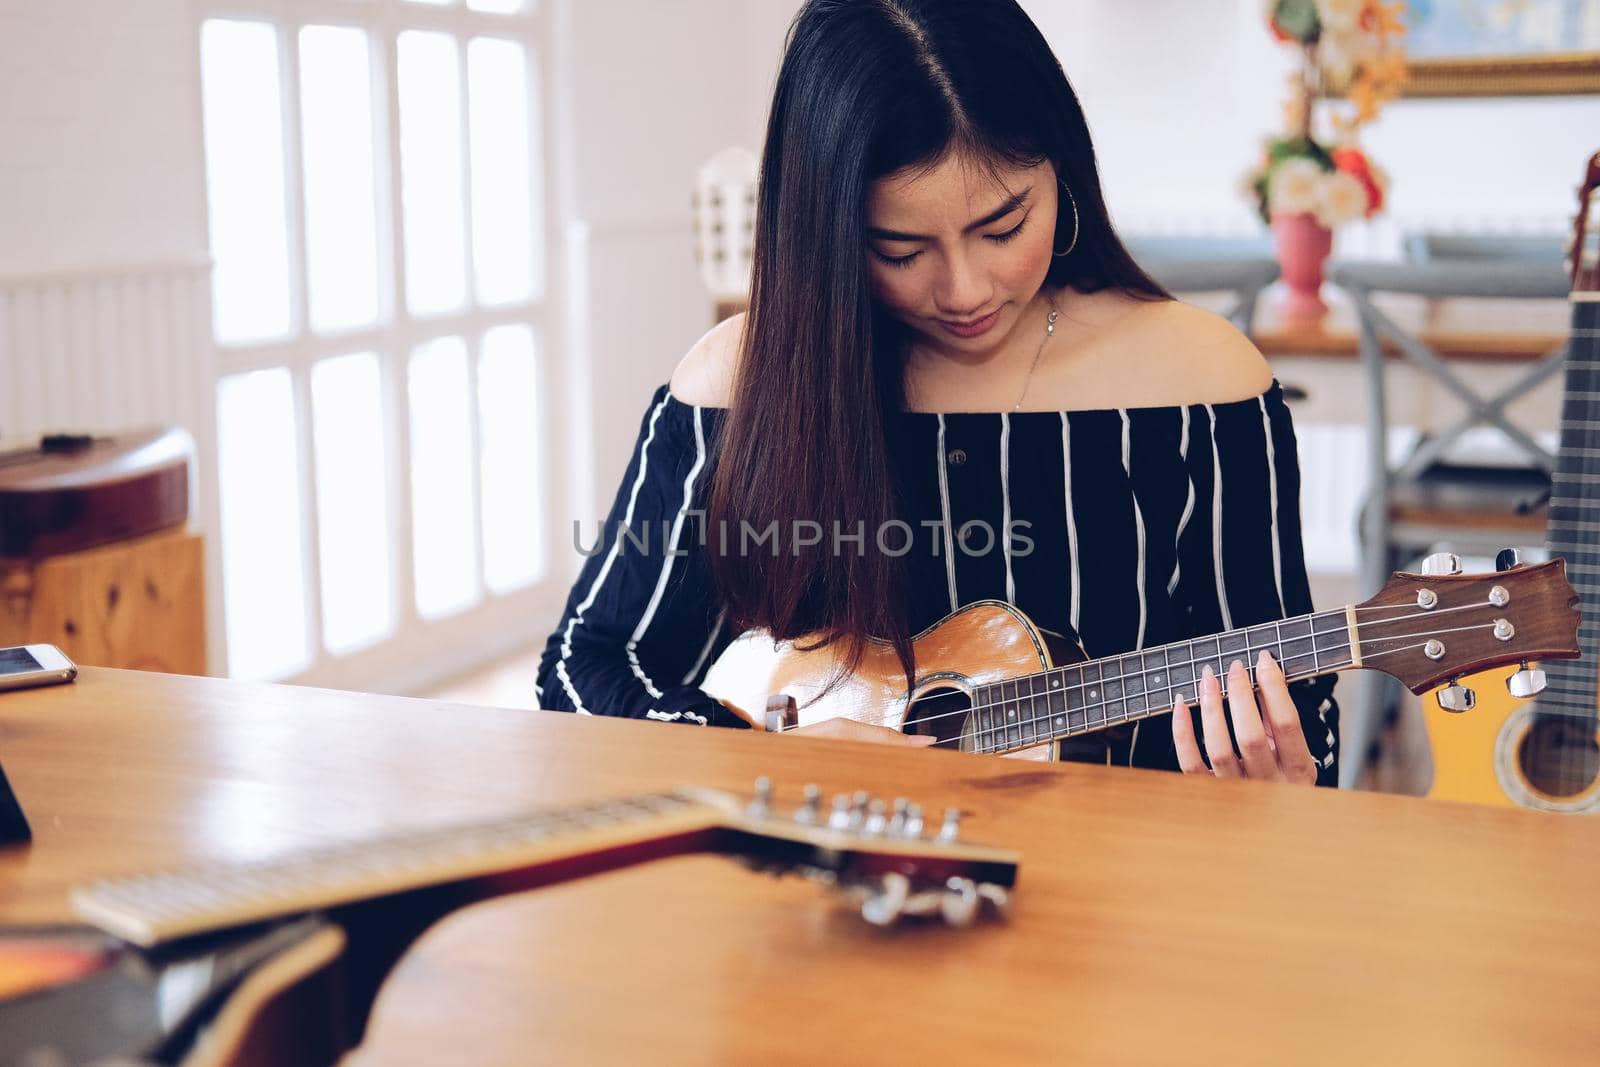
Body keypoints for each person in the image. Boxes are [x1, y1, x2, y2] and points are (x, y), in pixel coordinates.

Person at [536, 0, 1339, 786]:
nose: (964, 291)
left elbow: (1300, 710)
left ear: (1063, 171)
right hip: (817, 894)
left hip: (1119, 891)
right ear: (828, 235)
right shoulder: (736, 387)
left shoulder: (1203, 384)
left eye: (1002, 227)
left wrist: (1285, 779)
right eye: (900, 247)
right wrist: (768, 759)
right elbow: (582, 673)